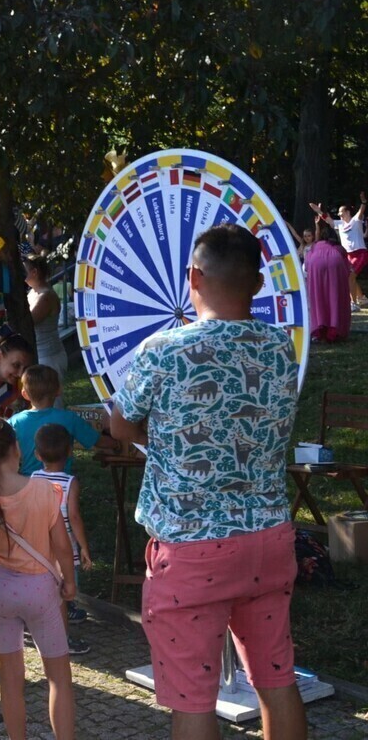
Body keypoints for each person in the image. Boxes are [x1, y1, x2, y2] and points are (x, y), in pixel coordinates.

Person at [111, 224, 305, 740]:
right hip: (268, 539)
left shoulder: (164, 350)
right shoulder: (280, 348)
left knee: (193, 702)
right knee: (277, 680)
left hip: (194, 550)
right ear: (257, 285)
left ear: (193, 276)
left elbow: (121, 423)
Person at [0, 416, 75, 740]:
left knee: (11, 677)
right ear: (16, 448)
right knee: (58, 676)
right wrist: (69, 581)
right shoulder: (44, 490)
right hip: (41, 591)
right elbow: (61, 544)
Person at [30, 423, 93, 653]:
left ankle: (41, 636)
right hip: (65, 548)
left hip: (39, 548)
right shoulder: (70, 482)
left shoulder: (33, 478)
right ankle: (61, 641)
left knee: (45, 596)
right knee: (61, 600)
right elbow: (74, 516)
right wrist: (84, 547)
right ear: (69, 452)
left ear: (37, 454)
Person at [9, 365, 117, 476]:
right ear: (58, 390)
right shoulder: (69, 418)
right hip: (61, 485)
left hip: (27, 484)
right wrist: (119, 442)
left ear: (24, 394)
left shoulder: (15, 422)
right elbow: (98, 441)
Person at [24, 256, 68, 398]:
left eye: (24, 270)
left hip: (49, 357)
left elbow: (28, 322)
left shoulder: (46, 296)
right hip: (42, 355)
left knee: (52, 401)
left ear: (34, 272)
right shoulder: (33, 292)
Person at [311, 198, 367, 309]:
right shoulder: (339, 224)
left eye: (341, 212)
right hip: (348, 255)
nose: (339, 214)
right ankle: (362, 298)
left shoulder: (355, 221)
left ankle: (354, 303)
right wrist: (318, 211)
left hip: (360, 254)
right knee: (349, 277)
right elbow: (328, 220)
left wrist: (363, 202)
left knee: (350, 277)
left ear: (347, 212)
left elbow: (361, 212)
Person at [305, 222, 352, 343]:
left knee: (318, 297)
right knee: (336, 296)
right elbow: (348, 270)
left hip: (316, 263)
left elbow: (307, 266)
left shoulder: (315, 246)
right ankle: (334, 329)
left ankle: (320, 329)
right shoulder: (339, 248)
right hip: (335, 263)